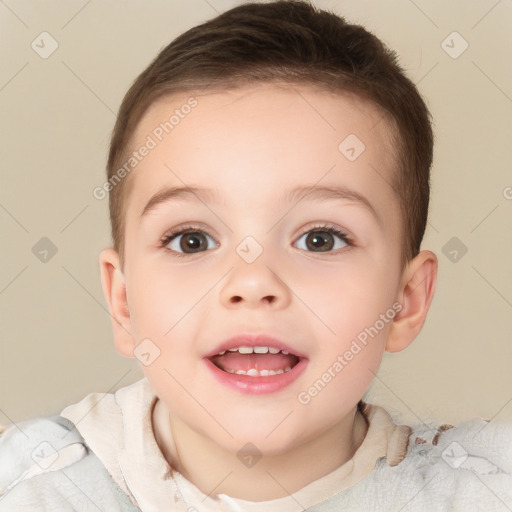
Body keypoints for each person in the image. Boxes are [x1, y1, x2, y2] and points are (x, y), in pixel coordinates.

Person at [1, 1, 510, 510]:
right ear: (123, 300)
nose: (252, 281)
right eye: (191, 240)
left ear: (406, 301)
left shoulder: (483, 490)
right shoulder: (32, 488)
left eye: (320, 239)